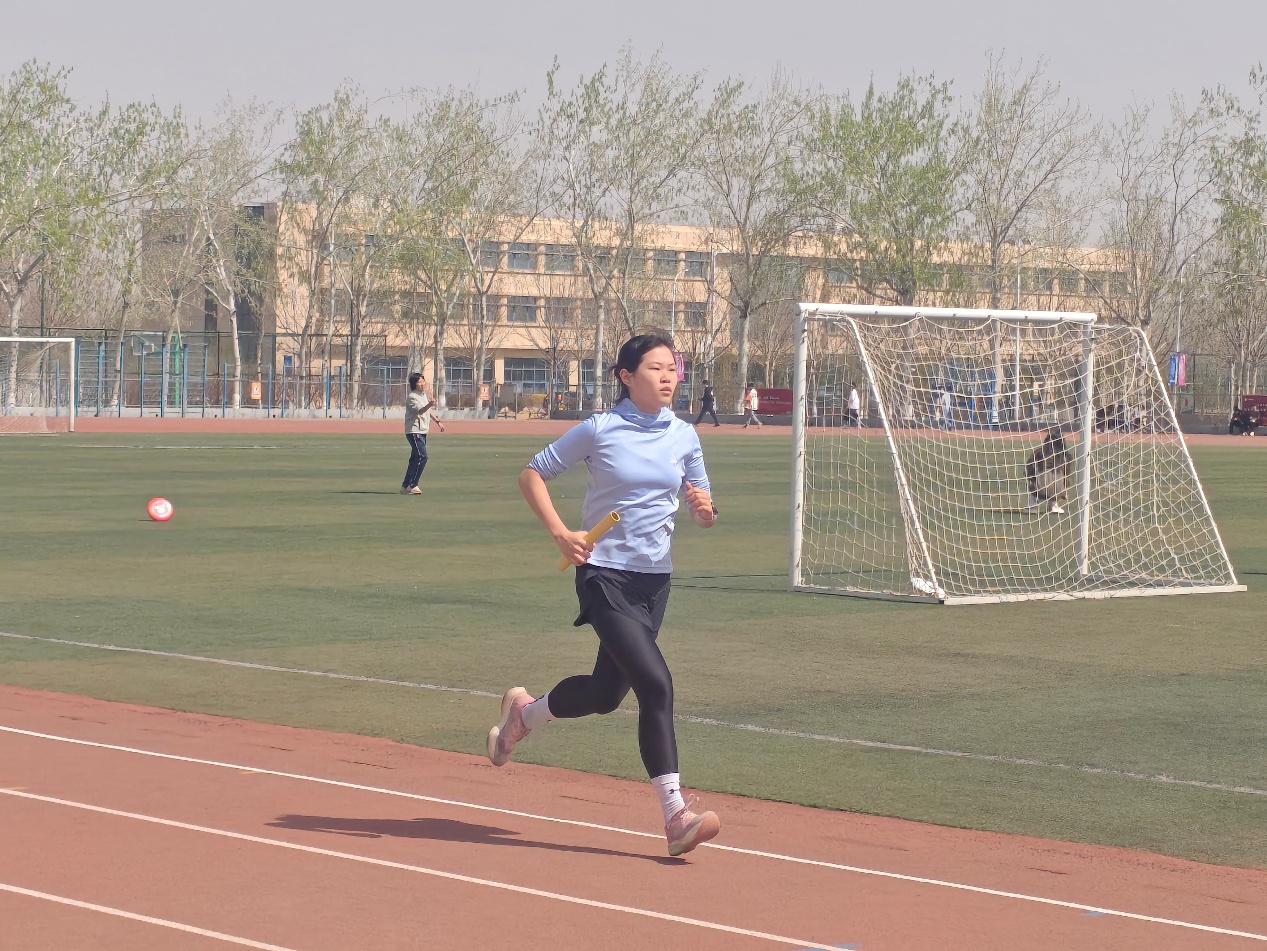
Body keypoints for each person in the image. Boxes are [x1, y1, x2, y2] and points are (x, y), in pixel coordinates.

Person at [488, 332, 722, 858]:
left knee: (605, 693)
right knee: (656, 684)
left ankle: (524, 716)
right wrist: (561, 534)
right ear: (626, 376)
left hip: (654, 581)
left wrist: (705, 510)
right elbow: (532, 474)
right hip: (603, 575)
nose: (668, 377)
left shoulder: (684, 435)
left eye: (673, 368)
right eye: (656, 368)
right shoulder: (601, 428)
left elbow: (701, 502)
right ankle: (675, 815)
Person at [400, 372, 442, 494]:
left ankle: (405, 486)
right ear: (414, 384)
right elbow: (421, 410)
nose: (422, 384)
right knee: (422, 456)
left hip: (422, 430)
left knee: (415, 458)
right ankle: (413, 485)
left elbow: (428, 411)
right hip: (414, 431)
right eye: (419, 382)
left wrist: (438, 422)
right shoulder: (412, 397)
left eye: (423, 381)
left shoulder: (423, 395)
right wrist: (429, 404)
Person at [1024, 427, 1071, 514]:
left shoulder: (1038, 454)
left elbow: (1028, 471)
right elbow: (1067, 475)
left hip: (1038, 491)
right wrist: (1064, 490)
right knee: (1059, 479)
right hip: (1058, 492)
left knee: (1032, 478)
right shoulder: (1066, 457)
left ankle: (1033, 506)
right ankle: (1053, 506)